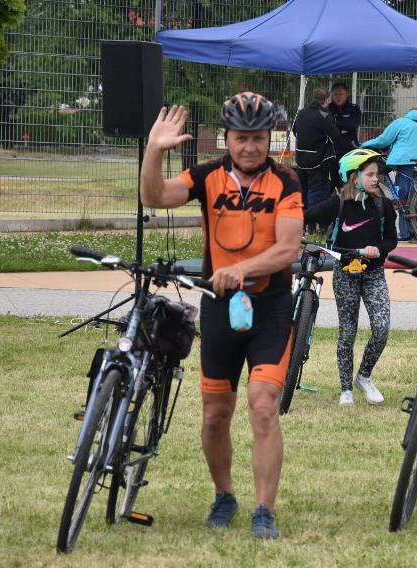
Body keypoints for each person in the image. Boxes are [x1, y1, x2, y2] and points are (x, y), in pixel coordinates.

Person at [140, 92, 304, 538]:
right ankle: (224, 495)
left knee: (263, 405)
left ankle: (264, 510)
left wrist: (240, 269)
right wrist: (154, 150)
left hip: (269, 308)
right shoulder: (209, 175)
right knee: (215, 413)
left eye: (258, 138)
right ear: (226, 139)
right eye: (241, 138)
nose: (250, 147)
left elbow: (289, 248)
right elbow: (154, 195)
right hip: (218, 308)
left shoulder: (286, 182)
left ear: (269, 138)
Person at [303, 149, 398, 406]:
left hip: (374, 274)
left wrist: (380, 249)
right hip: (345, 274)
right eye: (370, 174)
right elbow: (308, 215)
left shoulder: (383, 205)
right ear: (355, 178)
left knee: (381, 329)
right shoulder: (339, 203)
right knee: (347, 333)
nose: (375, 178)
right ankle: (346, 388)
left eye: (376, 174)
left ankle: (363, 376)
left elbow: (392, 239)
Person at [360, 109, 417, 241]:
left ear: (407, 114)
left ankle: (405, 234)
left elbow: (383, 140)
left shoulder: (401, 122)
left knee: (403, 198)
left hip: (406, 162)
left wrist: (364, 145)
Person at [293, 87, 342, 230]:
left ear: (313, 98)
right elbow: (336, 138)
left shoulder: (301, 113)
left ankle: (302, 227)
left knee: (303, 194)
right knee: (316, 196)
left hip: (301, 161)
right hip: (318, 163)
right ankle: (314, 230)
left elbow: (295, 131)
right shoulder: (325, 116)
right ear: (326, 101)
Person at [328, 82, 362, 189]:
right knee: (330, 186)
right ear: (331, 95)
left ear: (347, 94)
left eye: (341, 94)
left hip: (349, 153)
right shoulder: (327, 109)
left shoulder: (353, 109)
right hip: (331, 153)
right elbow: (326, 126)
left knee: (346, 185)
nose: (338, 97)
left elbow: (353, 124)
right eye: (336, 94)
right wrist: (342, 128)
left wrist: (335, 124)